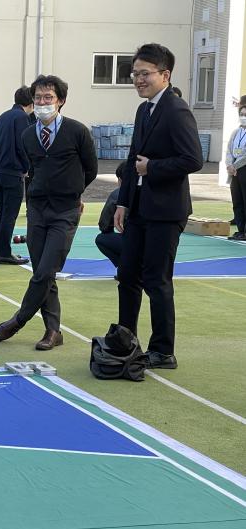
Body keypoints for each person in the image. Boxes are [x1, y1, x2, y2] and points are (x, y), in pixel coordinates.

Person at [114, 43, 203, 370]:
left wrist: (153, 168)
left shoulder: (176, 110)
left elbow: (193, 158)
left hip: (166, 211)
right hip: (139, 208)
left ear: (165, 75)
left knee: (156, 279)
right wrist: (123, 203)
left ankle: (163, 350)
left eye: (145, 74)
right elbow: (132, 157)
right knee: (127, 275)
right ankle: (126, 339)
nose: (138, 79)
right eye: (135, 74)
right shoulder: (144, 109)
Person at [0, 74, 97, 350]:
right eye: (38, 98)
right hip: (37, 210)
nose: (42, 103)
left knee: (46, 270)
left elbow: (91, 169)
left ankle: (18, 319)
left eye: (48, 98)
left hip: (65, 210)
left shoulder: (77, 131)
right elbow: (33, 171)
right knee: (42, 270)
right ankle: (54, 331)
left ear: (60, 101)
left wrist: (73, 192)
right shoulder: (28, 135)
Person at [0, 86, 34, 265]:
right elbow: (23, 145)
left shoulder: (2, 117)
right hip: (13, 171)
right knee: (9, 214)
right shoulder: (22, 118)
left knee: (1, 212)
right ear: (31, 102)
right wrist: (27, 167)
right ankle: (5, 253)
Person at [95, 162, 126, 268]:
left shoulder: (117, 194)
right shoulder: (152, 191)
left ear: (120, 180)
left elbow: (104, 225)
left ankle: (124, 267)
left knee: (101, 239)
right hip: (159, 243)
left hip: (133, 241)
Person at [225, 105, 246, 240]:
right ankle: (240, 229)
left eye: (245, 114)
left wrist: (235, 165)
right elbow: (229, 150)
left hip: (243, 168)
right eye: (241, 114)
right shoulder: (236, 132)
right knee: (237, 201)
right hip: (234, 172)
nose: (243, 117)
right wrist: (229, 165)